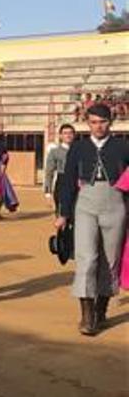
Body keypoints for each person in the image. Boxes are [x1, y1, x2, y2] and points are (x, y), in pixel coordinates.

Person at [55, 104, 129, 336]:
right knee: (86, 259)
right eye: (94, 122)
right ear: (87, 123)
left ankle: (101, 311)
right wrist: (63, 213)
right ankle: (87, 317)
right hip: (85, 204)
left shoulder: (123, 146)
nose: (99, 126)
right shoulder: (78, 148)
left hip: (115, 203)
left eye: (103, 122)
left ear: (111, 122)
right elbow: (67, 182)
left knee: (110, 259)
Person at [44, 124, 76, 215]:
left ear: (74, 135)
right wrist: (48, 192)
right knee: (62, 214)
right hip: (63, 183)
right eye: (65, 133)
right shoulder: (55, 152)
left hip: (78, 184)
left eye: (70, 133)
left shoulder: (79, 150)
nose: (68, 135)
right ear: (60, 136)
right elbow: (49, 172)